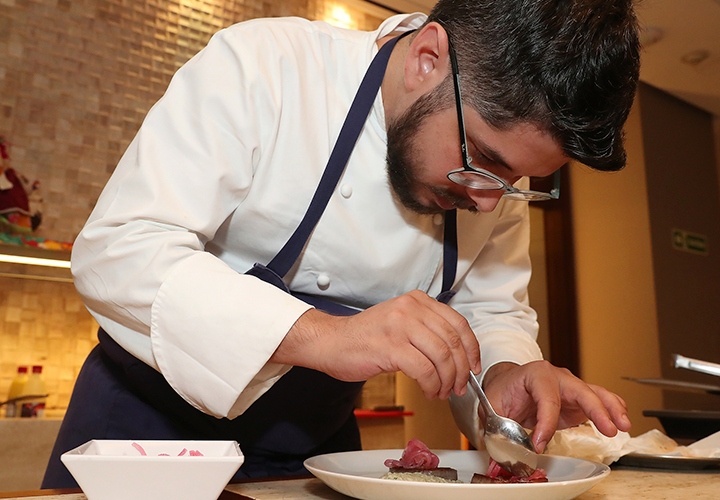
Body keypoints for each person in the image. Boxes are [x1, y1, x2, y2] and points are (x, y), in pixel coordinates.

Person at [43, 0, 640, 488]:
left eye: (514, 183)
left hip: (315, 456)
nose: (489, 201)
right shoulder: (265, 67)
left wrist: (504, 376)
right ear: (426, 59)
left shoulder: (490, 185)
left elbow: (490, 309)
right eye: (483, 160)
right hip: (147, 438)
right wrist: (325, 337)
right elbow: (120, 250)